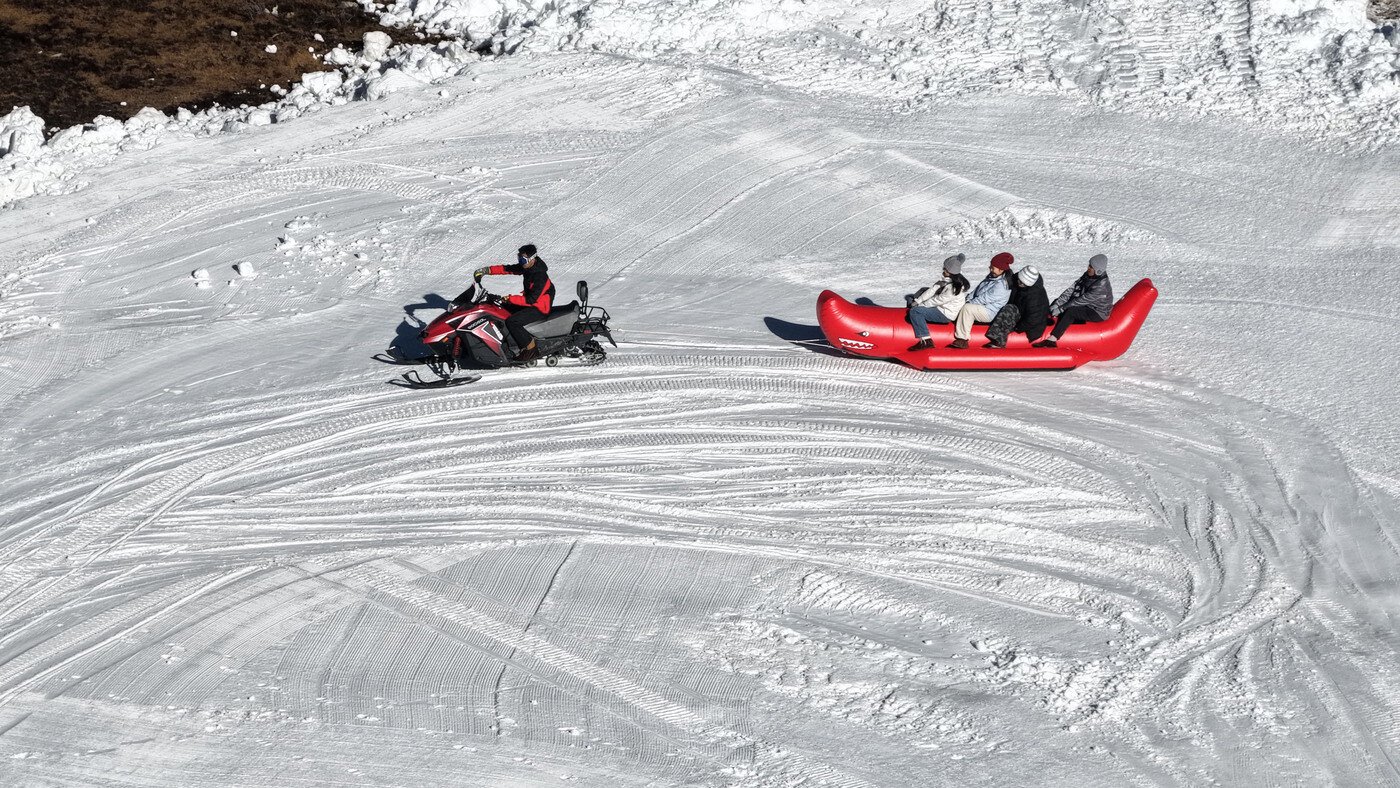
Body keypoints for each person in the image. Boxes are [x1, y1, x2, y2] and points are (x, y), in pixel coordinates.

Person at [473, 243, 557, 362]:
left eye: (522, 259)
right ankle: (506, 342)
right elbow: (507, 269)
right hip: (532, 303)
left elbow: (531, 299)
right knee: (502, 308)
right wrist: (486, 270)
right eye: (519, 259)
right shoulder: (528, 268)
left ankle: (530, 348)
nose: (520, 262)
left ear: (532, 259)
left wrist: (510, 298)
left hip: (539, 308)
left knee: (513, 322)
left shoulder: (540, 276)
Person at [1034, 253, 1113, 348]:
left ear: (1098, 271)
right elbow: (1073, 289)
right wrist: (1057, 304)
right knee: (1059, 302)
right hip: (1087, 304)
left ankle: (1052, 340)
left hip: (1098, 311)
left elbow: (1080, 300)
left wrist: (1061, 309)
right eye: (1089, 265)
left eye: (1091, 267)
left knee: (1072, 311)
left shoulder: (1101, 286)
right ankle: (1045, 321)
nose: (1088, 268)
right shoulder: (1088, 275)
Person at [947, 252, 1013, 349]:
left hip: (990, 311)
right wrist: (966, 299)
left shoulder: (1002, 285)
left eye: (992, 267)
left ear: (1001, 269)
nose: (990, 269)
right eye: (990, 266)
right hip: (981, 306)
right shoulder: (992, 277)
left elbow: (985, 299)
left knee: (967, 309)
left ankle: (962, 339)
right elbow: (977, 291)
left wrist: (968, 303)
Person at [906, 253, 971, 351]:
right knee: (919, 294)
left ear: (950, 271)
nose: (943, 270)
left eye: (945, 269)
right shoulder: (945, 280)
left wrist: (920, 306)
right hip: (940, 307)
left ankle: (926, 340)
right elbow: (931, 290)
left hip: (946, 313)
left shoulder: (953, 288)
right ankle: (914, 307)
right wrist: (917, 301)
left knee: (916, 312)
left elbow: (937, 300)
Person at [983, 264, 1049, 348]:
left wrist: (1018, 327)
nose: (1019, 283)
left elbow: (1033, 318)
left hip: (1027, 323)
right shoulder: (1015, 279)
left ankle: (998, 341)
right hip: (1015, 311)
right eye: (1019, 280)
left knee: (1010, 309)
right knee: (1008, 308)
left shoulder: (1036, 296)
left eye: (1023, 283)